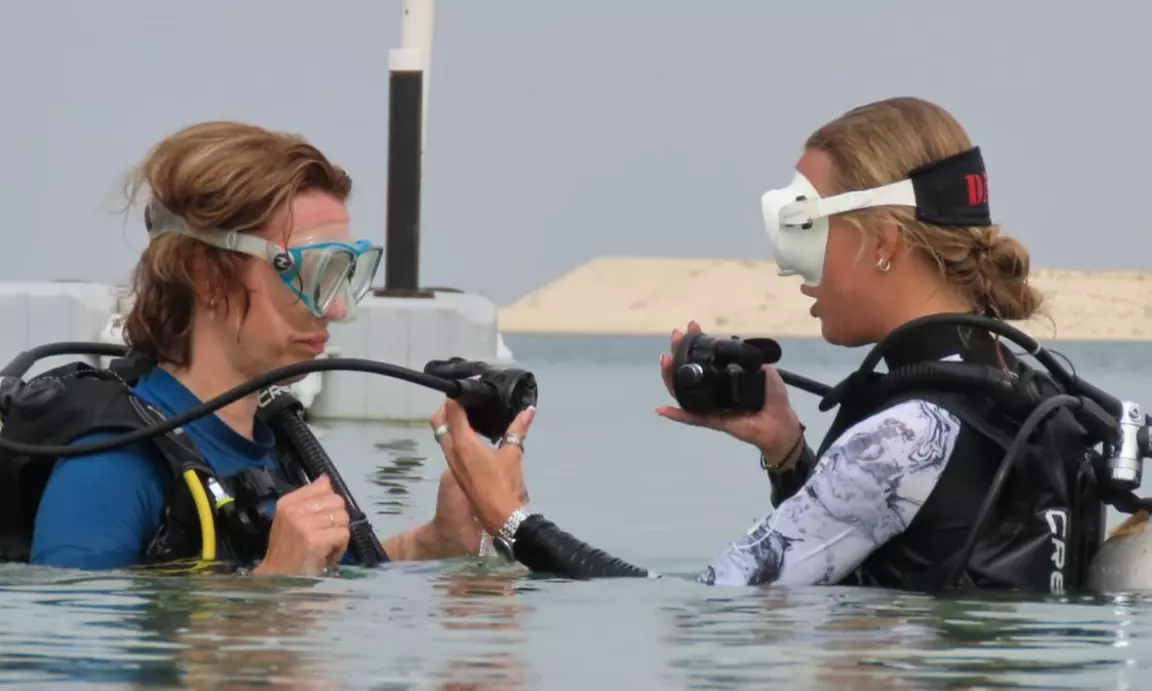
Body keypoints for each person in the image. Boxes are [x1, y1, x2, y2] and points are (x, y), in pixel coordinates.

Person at [427, 96, 1106, 592]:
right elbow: (916, 550)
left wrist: (509, 518)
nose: (792, 269)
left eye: (803, 230)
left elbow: (701, 607)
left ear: (884, 243)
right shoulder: (1027, 390)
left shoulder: (905, 432)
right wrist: (787, 454)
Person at [12, 121, 487, 575]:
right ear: (206, 276)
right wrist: (273, 584)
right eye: (311, 274)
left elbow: (308, 572)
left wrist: (435, 542)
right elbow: (70, 647)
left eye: (345, 274)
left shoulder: (272, 444)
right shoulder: (111, 467)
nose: (337, 309)